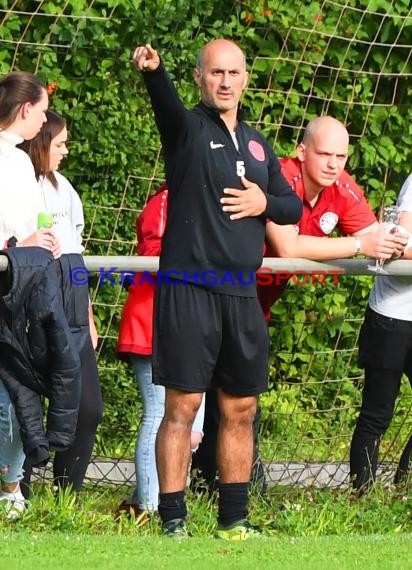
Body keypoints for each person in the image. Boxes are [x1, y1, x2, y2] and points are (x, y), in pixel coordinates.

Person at [133, 39, 302, 539]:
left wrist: (262, 200)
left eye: (233, 72)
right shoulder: (186, 129)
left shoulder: (257, 143)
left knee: (241, 407)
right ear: (199, 77)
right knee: (181, 407)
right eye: (215, 73)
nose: (225, 81)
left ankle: (234, 520)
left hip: (241, 294)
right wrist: (153, 72)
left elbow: (291, 209)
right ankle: (173, 521)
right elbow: (164, 102)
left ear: (245, 78)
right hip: (189, 288)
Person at [192, 115, 407, 492]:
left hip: (253, 306)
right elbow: (288, 246)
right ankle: (175, 497)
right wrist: (359, 246)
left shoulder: (341, 187)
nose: (332, 164)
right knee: (196, 403)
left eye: (341, 156)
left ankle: (220, 490)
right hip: (209, 296)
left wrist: (389, 242)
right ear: (301, 151)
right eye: (324, 154)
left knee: (236, 401)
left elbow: (378, 235)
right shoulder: (277, 177)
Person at [18, 110, 103, 495]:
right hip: (33, 296)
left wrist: (87, 313)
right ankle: (17, 490)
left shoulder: (64, 187)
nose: (66, 150)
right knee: (27, 403)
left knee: (88, 408)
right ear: (41, 142)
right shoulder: (18, 183)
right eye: (61, 143)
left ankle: (65, 497)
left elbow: (76, 255)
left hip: (71, 300)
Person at [115, 183, 205, 519]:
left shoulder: (215, 198)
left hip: (194, 323)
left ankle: (142, 501)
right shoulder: (166, 200)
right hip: (154, 319)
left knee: (192, 428)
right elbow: (153, 254)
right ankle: (151, 509)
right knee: (160, 413)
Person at [0, 71, 59, 518]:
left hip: (13, 279)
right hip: (10, 288)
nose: (45, 122)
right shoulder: (15, 161)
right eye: (41, 112)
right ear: (25, 110)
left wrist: (38, 239)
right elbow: (20, 233)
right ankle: (9, 486)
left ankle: (10, 485)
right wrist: (32, 244)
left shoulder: (18, 160)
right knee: (16, 388)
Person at [350, 172, 412, 492]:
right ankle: (363, 499)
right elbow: (400, 244)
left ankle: (404, 490)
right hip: (391, 318)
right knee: (377, 415)